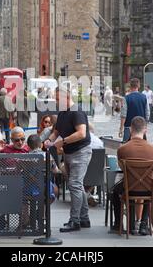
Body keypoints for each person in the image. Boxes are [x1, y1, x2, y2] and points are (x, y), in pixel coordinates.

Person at [45, 87, 92, 232]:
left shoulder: (76, 111)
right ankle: (84, 218)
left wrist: (63, 142)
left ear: (67, 97)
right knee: (77, 185)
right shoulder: (63, 113)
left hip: (80, 152)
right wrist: (49, 140)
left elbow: (81, 133)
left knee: (74, 185)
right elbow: (56, 131)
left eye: (58, 99)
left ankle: (75, 220)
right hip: (70, 153)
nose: (56, 102)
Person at [112, 116, 153, 235]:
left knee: (115, 191)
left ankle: (118, 224)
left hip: (128, 188)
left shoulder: (122, 149)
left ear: (131, 129)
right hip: (147, 189)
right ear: (145, 130)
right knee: (151, 189)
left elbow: (122, 169)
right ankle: (143, 224)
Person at [120, 78, 149, 142]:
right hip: (141, 127)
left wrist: (121, 128)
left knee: (126, 147)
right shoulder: (144, 97)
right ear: (138, 86)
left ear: (130, 86)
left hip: (129, 127)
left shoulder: (126, 98)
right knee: (142, 146)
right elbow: (147, 113)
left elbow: (123, 115)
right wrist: (145, 125)